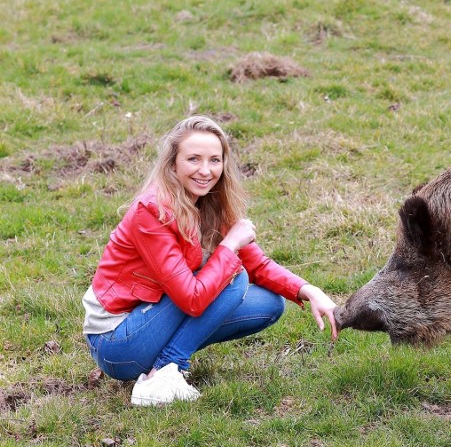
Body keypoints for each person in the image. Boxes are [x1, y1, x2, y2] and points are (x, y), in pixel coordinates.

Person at [82, 115, 338, 406]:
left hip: (151, 317)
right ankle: (162, 373)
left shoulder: (211, 202)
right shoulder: (151, 211)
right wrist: (229, 246)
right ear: (173, 164)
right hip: (117, 340)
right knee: (233, 276)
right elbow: (192, 298)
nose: (205, 171)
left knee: (269, 303)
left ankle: (164, 366)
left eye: (214, 160)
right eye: (193, 159)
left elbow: (258, 265)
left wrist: (308, 290)